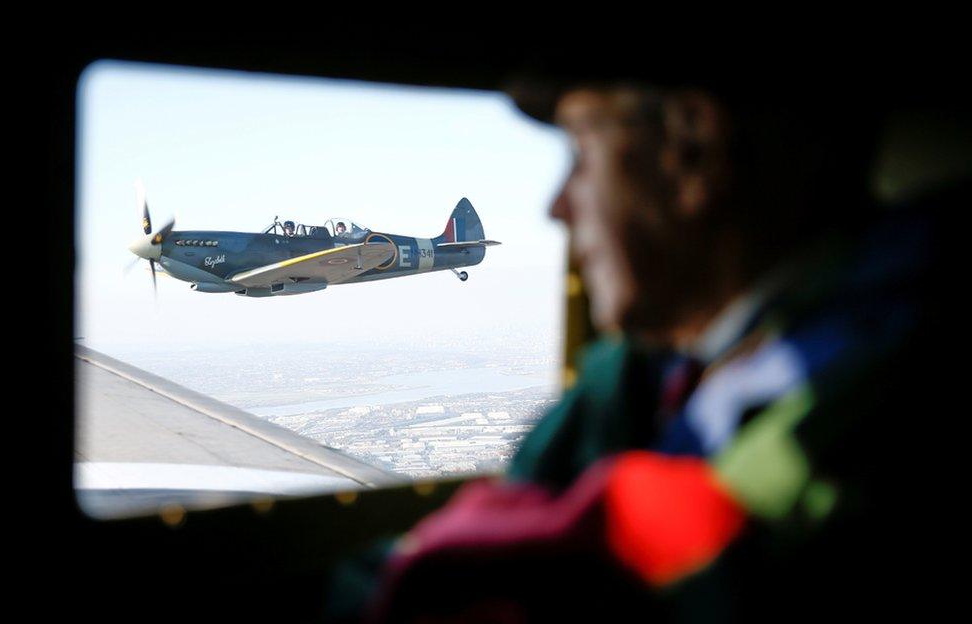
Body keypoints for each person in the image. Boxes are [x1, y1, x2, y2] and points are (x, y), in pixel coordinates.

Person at [329, 78, 946, 622]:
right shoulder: (639, 374)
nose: (557, 207)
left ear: (691, 151)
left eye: (580, 150)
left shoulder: (883, 383)